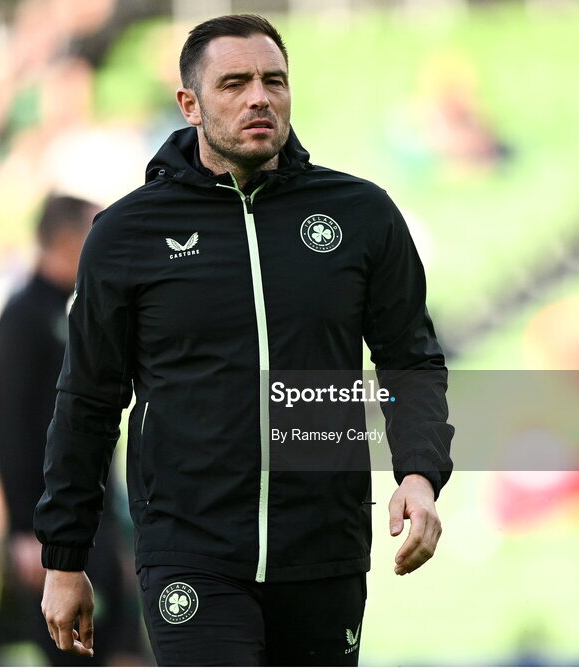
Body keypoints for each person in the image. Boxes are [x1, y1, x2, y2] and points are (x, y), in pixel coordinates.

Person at [35, 15, 454, 666]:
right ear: (189, 104)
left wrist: (419, 475)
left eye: (273, 81)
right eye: (234, 83)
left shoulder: (360, 214)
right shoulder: (126, 234)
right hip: (189, 547)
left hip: (324, 546)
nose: (259, 97)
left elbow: (410, 360)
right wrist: (65, 559)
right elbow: (88, 398)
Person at [0, 194, 143, 665]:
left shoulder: (82, 311)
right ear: (70, 239)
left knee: (122, 646)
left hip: (97, 521)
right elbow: (8, 431)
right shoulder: (22, 319)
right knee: (76, 650)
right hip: (49, 526)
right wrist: (22, 530)